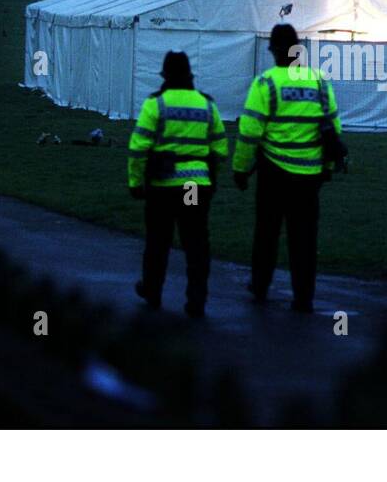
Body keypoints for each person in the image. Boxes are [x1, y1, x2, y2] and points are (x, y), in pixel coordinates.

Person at [232, 24, 343, 313]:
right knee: (304, 238)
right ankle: (303, 297)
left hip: (273, 172)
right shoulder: (318, 81)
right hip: (309, 177)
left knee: (266, 232)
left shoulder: (266, 83)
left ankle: (259, 287)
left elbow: (249, 131)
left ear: (272, 50)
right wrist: (328, 166)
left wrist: (241, 169)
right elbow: (333, 128)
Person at [127, 51, 227, 318]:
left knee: (158, 240)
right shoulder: (206, 104)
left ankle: (152, 290)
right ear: (189, 75)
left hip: (163, 186)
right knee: (195, 242)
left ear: (165, 76)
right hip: (194, 185)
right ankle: (196, 300)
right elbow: (220, 147)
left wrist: (136, 182)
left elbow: (138, 147)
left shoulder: (156, 104)